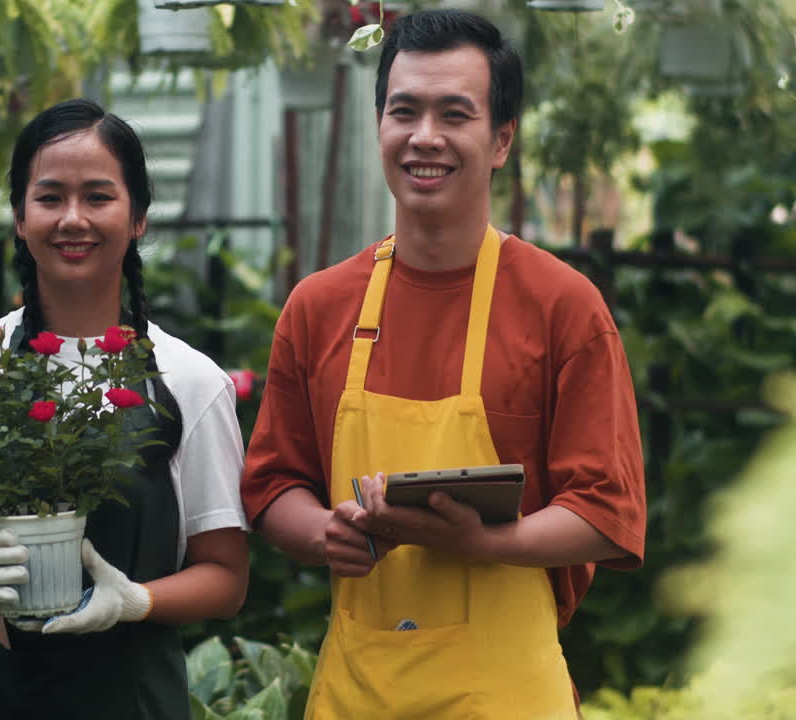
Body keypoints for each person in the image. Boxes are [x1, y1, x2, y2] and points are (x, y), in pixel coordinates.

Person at [240, 10, 646, 719]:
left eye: (454, 114)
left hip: (508, 693)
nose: (424, 137)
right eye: (405, 111)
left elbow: (606, 512)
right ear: (379, 128)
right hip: (356, 693)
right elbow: (274, 486)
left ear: (501, 140)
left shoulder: (562, 306)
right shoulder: (318, 306)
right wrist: (323, 533)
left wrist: (488, 540)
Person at [0, 98, 250, 720]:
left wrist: (133, 601)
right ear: (18, 216)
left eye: (98, 197)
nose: (72, 220)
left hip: (132, 698)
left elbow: (225, 577)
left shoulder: (193, 381)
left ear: (139, 217)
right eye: (49, 197)